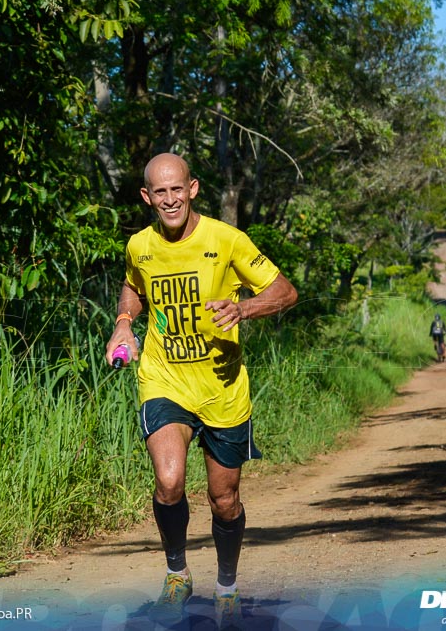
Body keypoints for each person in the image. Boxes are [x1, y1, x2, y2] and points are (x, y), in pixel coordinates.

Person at [105, 153, 298, 629]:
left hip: (223, 387)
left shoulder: (225, 239)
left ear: (192, 189)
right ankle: (177, 575)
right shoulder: (139, 245)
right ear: (147, 197)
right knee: (169, 481)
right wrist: (124, 323)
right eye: (159, 192)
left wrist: (244, 310)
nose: (170, 199)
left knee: (224, 499)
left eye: (177, 189)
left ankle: (227, 586)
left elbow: (285, 292)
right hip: (163, 376)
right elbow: (133, 286)